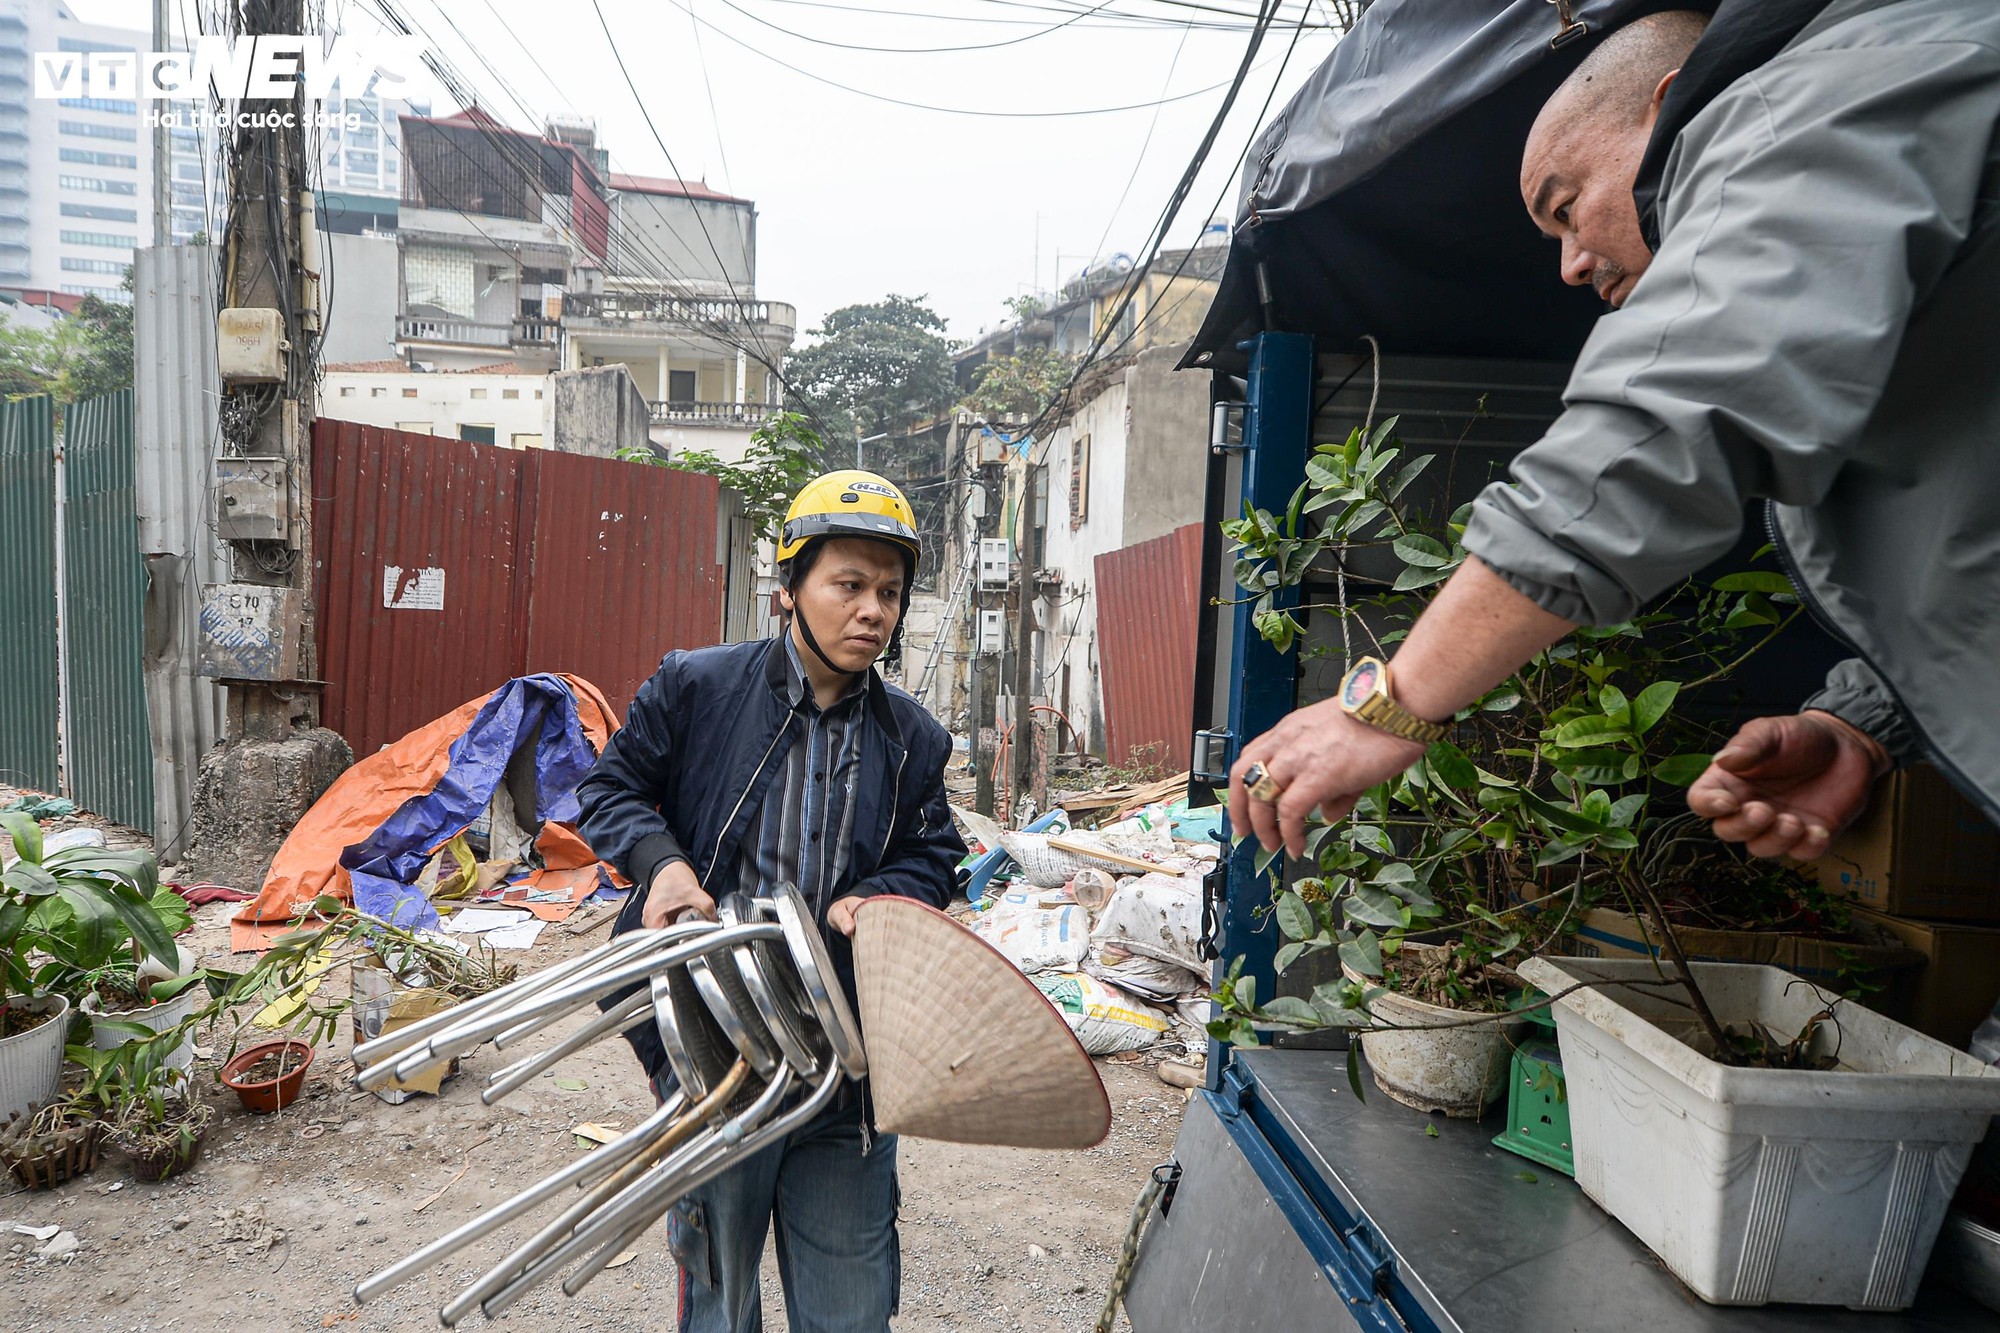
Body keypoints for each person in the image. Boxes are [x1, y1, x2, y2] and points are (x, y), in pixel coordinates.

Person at [1228, 2, 2000, 865]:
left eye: (1566, 208)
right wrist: (1865, 722)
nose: (1570, 266)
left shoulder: (1817, 100)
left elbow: (1667, 422)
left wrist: (1386, 705)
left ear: (1665, 107)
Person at [577, 469, 966, 1333]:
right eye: (849, 584)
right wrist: (662, 864)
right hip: (716, 1054)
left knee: (851, 1312)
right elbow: (609, 788)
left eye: (890, 592)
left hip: (842, 1065)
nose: (872, 611)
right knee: (721, 1303)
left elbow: (936, 853)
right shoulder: (697, 687)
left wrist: (880, 894)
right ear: (790, 587)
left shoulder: (913, 739)